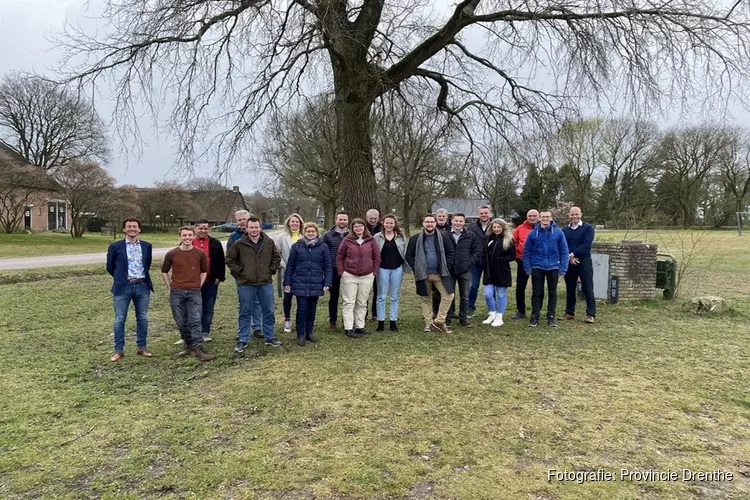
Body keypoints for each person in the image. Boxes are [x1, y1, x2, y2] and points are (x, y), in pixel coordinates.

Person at [226, 217, 282, 352]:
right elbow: (229, 259)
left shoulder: (268, 242)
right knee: (245, 312)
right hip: (246, 283)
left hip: (265, 282)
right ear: (246, 228)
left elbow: (276, 257)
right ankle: (243, 339)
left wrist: (271, 270)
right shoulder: (239, 243)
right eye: (251, 227)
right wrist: (240, 272)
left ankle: (269, 336)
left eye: (256, 227)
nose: (254, 230)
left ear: (260, 227)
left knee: (268, 311)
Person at [161, 226, 215, 360]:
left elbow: (204, 271)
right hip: (177, 291)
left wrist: (199, 285)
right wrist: (170, 287)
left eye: (190, 235)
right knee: (180, 320)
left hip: (194, 291)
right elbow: (164, 271)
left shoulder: (199, 253)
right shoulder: (172, 253)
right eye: (184, 235)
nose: (187, 238)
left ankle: (198, 347)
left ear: (193, 236)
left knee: (195, 319)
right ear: (180, 237)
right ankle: (188, 344)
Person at [106, 218, 154, 362]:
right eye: (129, 226)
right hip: (123, 287)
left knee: (143, 317)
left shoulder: (147, 246)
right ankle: (118, 350)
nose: (132, 229)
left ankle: (142, 347)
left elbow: (147, 264)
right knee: (120, 319)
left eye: (134, 226)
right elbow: (110, 266)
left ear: (139, 229)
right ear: (124, 229)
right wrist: (120, 278)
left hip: (142, 286)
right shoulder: (115, 246)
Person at [284, 222, 332, 346]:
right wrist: (287, 282)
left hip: (316, 282)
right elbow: (290, 265)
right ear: (304, 233)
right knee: (302, 308)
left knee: (312, 309)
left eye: (313, 231)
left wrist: (327, 282)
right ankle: (300, 334)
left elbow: (327, 266)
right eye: (308, 231)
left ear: (317, 233)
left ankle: (309, 332)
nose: (310, 233)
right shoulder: (297, 246)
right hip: (300, 282)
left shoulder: (323, 247)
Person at [405, 214, 455, 333]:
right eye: (427, 222)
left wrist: (446, 267)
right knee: (426, 298)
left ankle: (439, 321)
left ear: (435, 223)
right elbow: (409, 256)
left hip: (440, 273)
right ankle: (428, 323)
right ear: (423, 223)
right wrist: (417, 269)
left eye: (432, 222)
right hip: (423, 274)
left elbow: (450, 253)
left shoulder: (444, 237)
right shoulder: (415, 238)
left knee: (449, 295)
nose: (429, 224)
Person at [523, 210, 569, 327]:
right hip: (537, 266)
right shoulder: (533, 234)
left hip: (553, 266)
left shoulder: (558, 233)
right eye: (543, 217)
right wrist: (528, 269)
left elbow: (564, 251)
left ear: (551, 218)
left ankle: (551, 317)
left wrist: (562, 268)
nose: (545, 219)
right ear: (539, 218)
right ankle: (535, 317)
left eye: (547, 217)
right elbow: (527, 252)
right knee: (537, 292)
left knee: (552, 293)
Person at [337, 218, 380, 338]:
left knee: (362, 302)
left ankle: (360, 326)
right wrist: (342, 271)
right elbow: (340, 256)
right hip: (349, 275)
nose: (358, 228)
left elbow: (376, 257)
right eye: (355, 227)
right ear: (352, 228)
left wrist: (374, 272)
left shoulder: (370, 241)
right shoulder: (347, 240)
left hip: (367, 275)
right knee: (349, 302)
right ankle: (349, 327)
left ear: (364, 228)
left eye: (360, 226)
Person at [227, 209, 262, 338]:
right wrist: (238, 272)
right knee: (244, 303)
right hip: (242, 276)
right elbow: (230, 258)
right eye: (239, 220)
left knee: (257, 302)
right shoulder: (234, 237)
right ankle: (242, 329)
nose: (242, 221)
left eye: (244, 219)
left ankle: (258, 327)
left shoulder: (259, 234)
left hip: (258, 276)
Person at [373, 214, 410, 332]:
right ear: (383, 223)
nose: (389, 225)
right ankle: (381, 321)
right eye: (386, 223)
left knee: (395, 296)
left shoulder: (401, 237)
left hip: (397, 269)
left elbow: (405, 252)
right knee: (381, 296)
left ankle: (393, 321)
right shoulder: (377, 237)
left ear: (395, 224)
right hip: (382, 269)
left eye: (391, 223)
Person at [445, 213, 482, 328]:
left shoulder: (470, 235)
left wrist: (469, 262)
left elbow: (477, 251)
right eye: (456, 221)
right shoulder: (445, 235)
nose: (458, 223)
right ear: (452, 221)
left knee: (465, 295)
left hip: (465, 270)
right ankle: (448, 318)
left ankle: (463, 318)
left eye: (461, 221)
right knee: (449, 295)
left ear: (464, 222)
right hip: (449, 270)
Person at [191, 219, 226, 343]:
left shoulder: (215, 243)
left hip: (210, 281)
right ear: (195, 228)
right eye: (200, 228)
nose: (203, 230)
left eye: (205, 228)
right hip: (192, 282)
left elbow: (222, 261)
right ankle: (192, 332)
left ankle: (205, 331)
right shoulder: (188, 241)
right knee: (193, 307)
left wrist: (219, 278)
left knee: (208, 307)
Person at [561, 206, 597, 323]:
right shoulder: (564, 230)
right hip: (569, 261)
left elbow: (586, 246)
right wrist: (569, 257)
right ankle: (569, 312)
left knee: (587, 286)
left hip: (583, 260)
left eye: (576, 214)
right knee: (570, 287)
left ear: (581, 214)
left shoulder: (588, 228)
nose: (574, 216)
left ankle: (591, 314)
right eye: (572, 214)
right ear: (569, 215)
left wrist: (572, 255)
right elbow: (563, 246)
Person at [482, 219, 516, 327]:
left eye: (499, 227)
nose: (496, 229)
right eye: (494, 227)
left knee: (501, 294)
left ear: (503, 228)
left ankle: (499, 316)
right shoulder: (487, 238)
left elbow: (512, 256)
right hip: (489, 272)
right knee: (488, 294)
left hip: (502, 272)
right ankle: (492, 312)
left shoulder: (508, 239)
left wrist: (500, 259)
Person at [276, 213, 304, 333]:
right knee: (287, 297)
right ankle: (287, 320)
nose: (294, 224)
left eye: (297, 222)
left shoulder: (304, 237)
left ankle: (299, 321)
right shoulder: (282, 237)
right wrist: (284, 265)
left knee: (301, 298)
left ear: (300, 223)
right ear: (288, 223)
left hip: (302, 273)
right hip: (287, 271)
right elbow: (277, 253)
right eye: (292, 222)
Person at [321, 211, 349, 330]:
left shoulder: (352, 234)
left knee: (348, 297)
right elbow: (323, 252)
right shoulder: (328, 235)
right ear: (336, 220)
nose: (342, 222)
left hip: (348, 269)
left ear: (347, 221)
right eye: (340, 219)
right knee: (334, 296)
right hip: (333, 268)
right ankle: (333, 321)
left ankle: (346, 321)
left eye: (344, 220)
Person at [511, 209, 539, 319]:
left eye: (534, 216)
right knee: (520, 286)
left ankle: (536, 310)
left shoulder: (542, 228)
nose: (532, 218)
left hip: (538, 262)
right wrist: (518, 256)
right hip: (523, 261)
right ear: (527, 217)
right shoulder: (519, 229)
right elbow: (513, 243)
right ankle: (521, 310)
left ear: (538, 216)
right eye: (530, 216)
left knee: (537, 287)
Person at [467, 205, 493, 317]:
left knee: (492, 286)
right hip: (475, 261)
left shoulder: (495, 226)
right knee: (473, 285)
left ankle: (492, 309)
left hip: (490, 262)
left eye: (486, 213)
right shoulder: (471, 228)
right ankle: (470, 307)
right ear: (479, 214)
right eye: (482, 213)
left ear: (490, 214)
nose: (484, 215)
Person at [431, 208, 451, 315]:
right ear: (436, 218)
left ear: (447, 217)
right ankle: (435, 311)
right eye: (439, 216)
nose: (441, 218)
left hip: (447, 263)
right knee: (435, 291)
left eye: (443, 216)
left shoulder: (450, 230)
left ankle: (449, 312)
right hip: (435, 264)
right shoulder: (432, 229)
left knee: (449, 290)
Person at [365, 208, 383, 320]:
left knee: (378, 289)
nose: (373, 220)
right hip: (366, 261)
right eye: (370, 219)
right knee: (366, 290)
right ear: (367, 218)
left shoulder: (382, 227)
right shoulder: (363, 227)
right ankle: (364, 313)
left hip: (379, 262)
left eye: (375, 218)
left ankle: (375, 313)